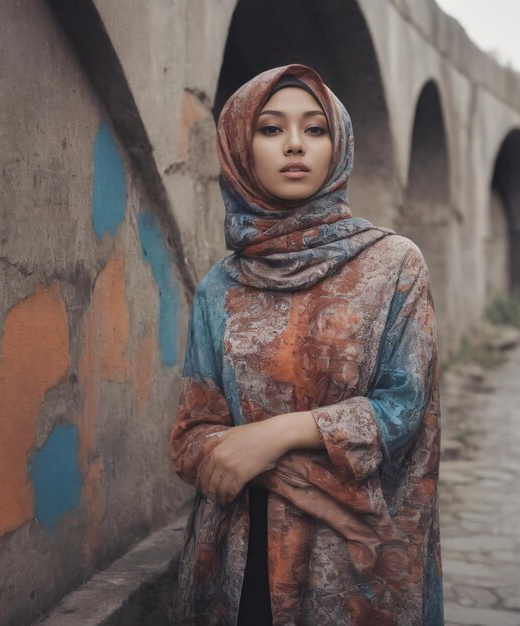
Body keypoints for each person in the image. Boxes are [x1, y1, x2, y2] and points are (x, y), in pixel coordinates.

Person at [169, 63, 444, 626]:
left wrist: (270, 439)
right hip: (236, 555)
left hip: (351, 561)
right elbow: (194, 433)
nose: (295, 145)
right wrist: (230, 454)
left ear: (337, 143)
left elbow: (403, 411)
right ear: (240, 147)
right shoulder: (218, 288)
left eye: (315, 129)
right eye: (270, 129)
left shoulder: (393, 265)